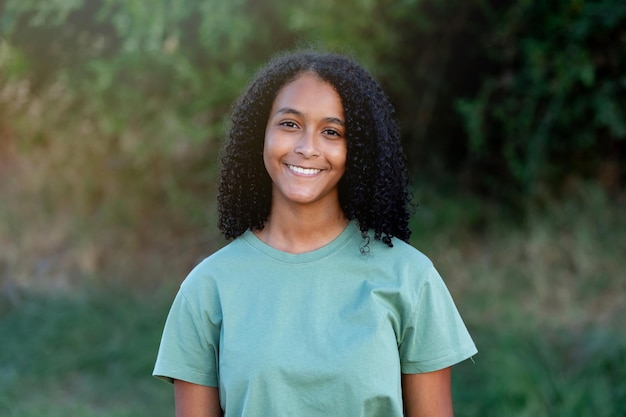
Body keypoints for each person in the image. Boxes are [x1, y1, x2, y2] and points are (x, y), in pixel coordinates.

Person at [153, 50, 477, 417]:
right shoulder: (208, 287)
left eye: (331, 132)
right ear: (259, 134)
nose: (307, 148)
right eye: (289, 124)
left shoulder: (411, 279)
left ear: (358, 149)